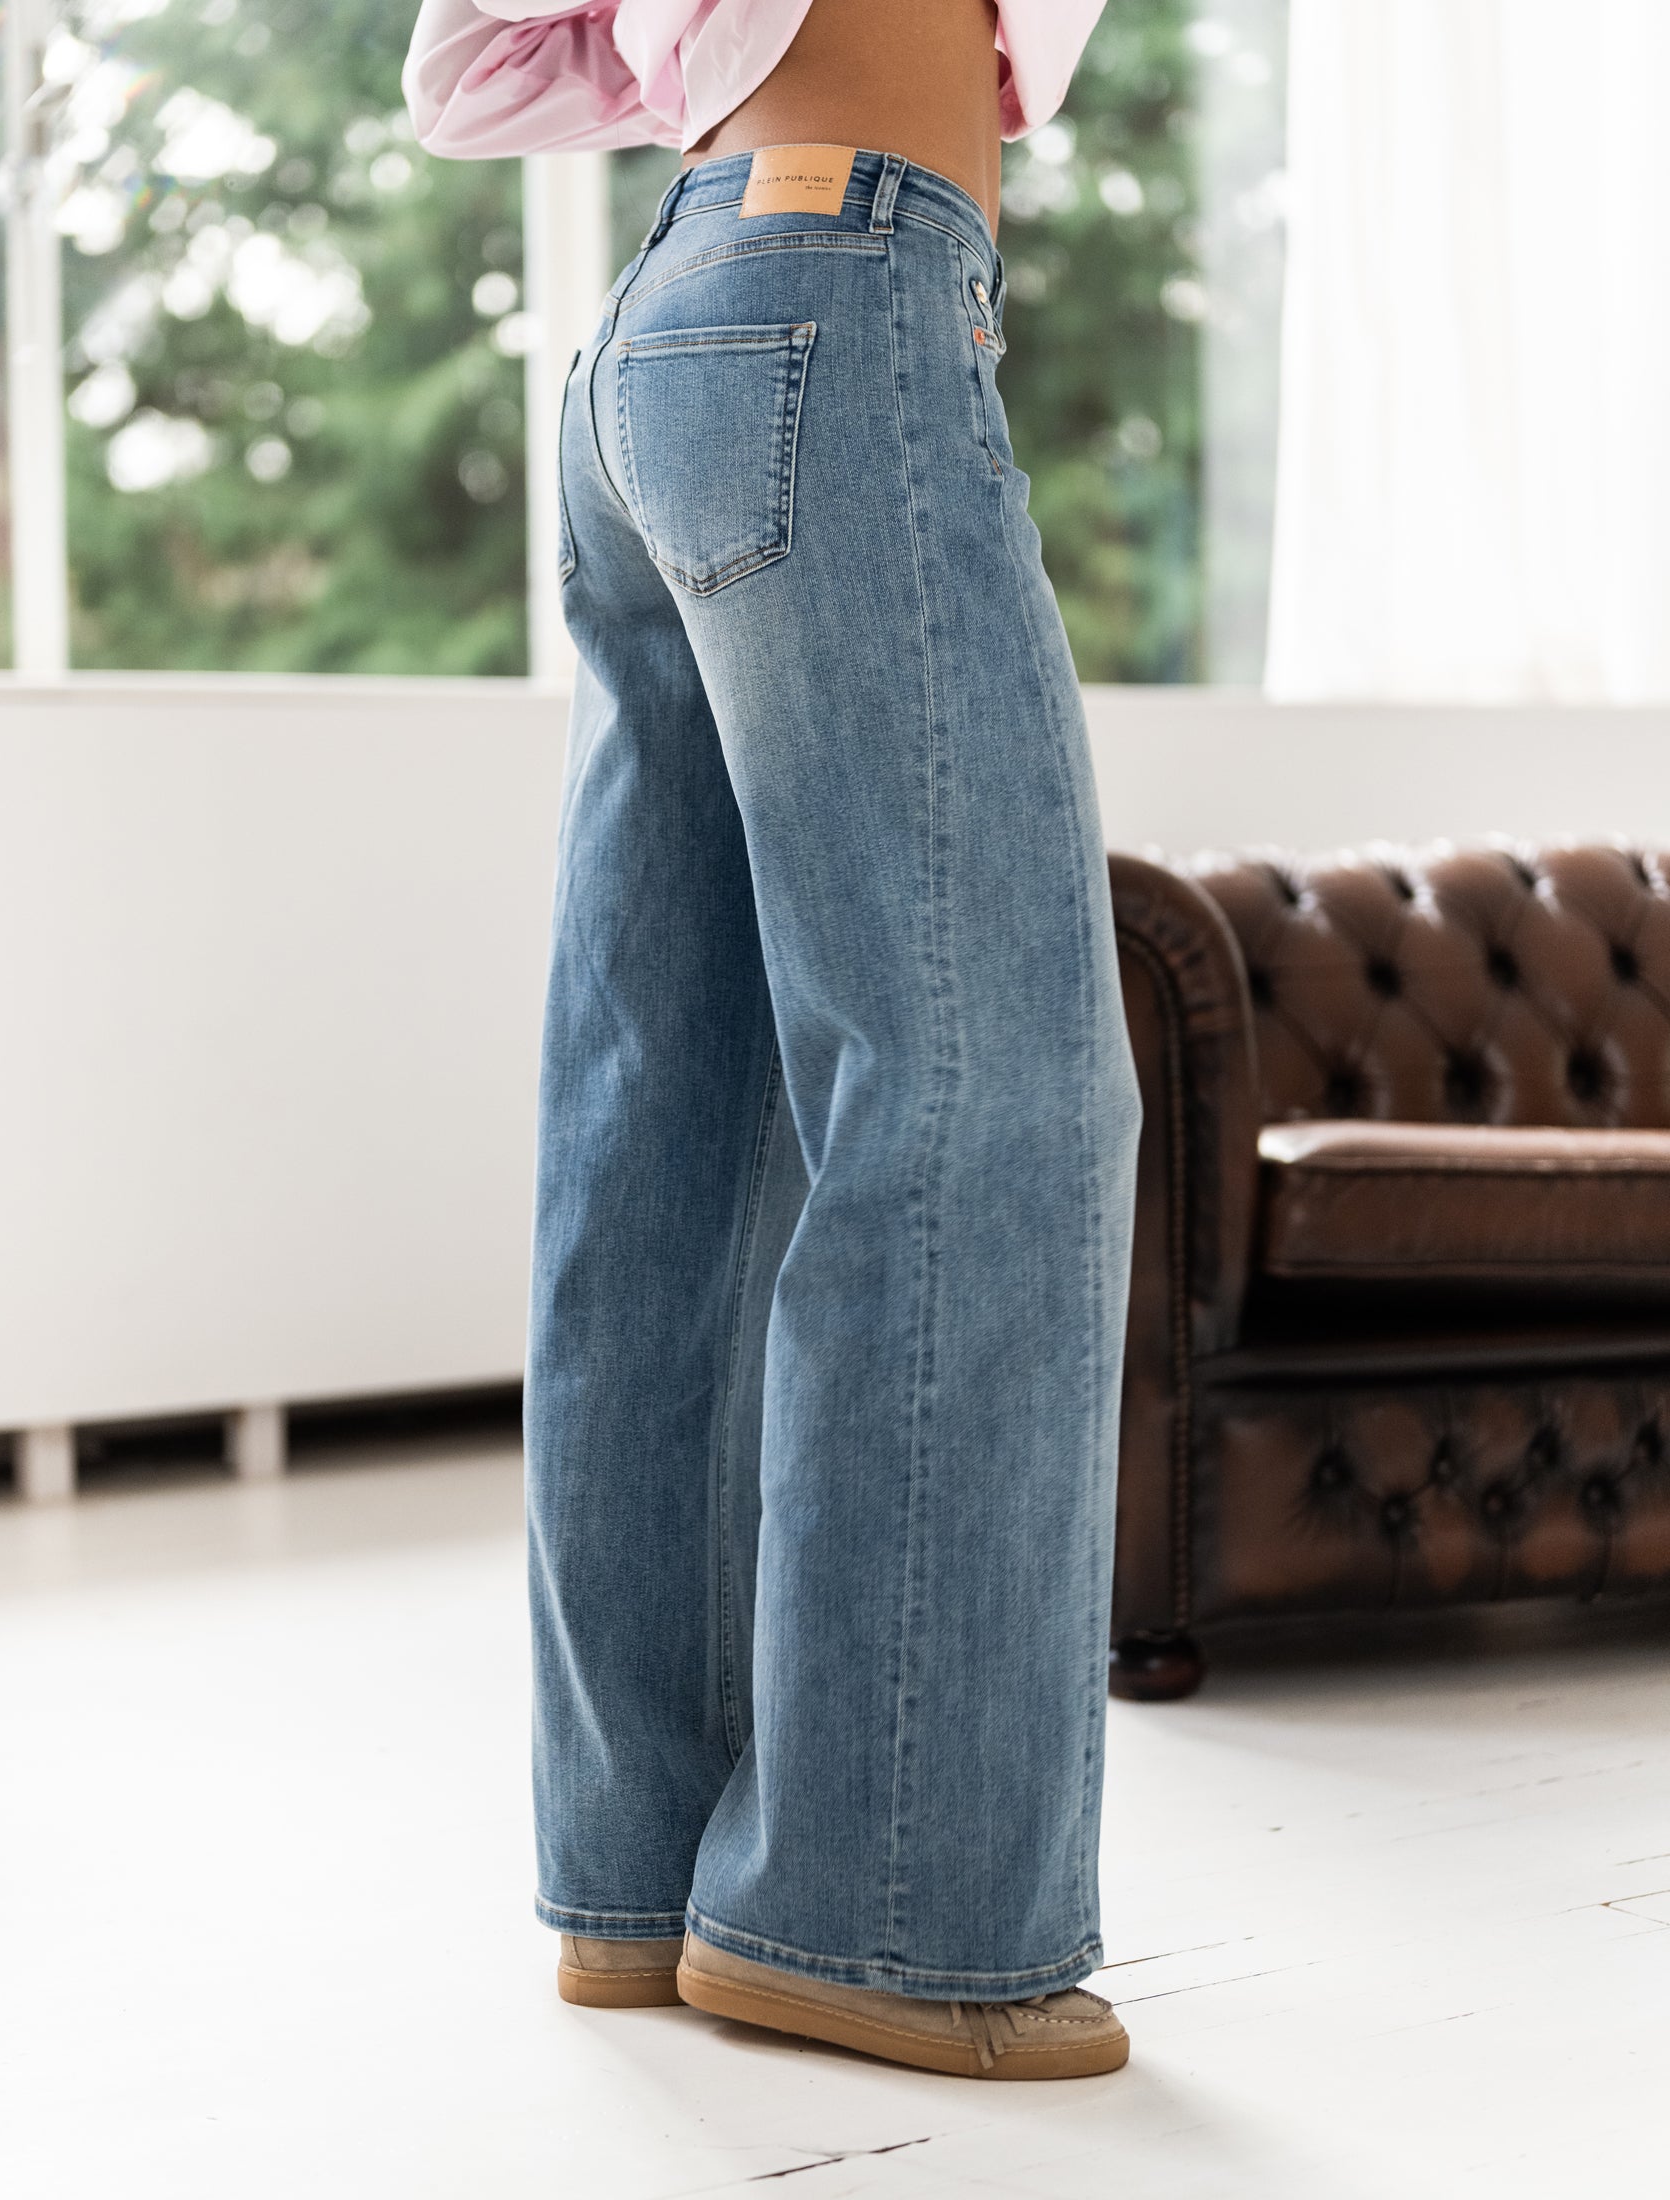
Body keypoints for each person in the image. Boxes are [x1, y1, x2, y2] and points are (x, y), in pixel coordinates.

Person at [404, 0, 1141, 2081]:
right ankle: (884, 1912)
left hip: (678, 315)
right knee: (989, 1092)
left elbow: (470, 62)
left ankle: (640, 1873)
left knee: (669, 1112)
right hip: (847, 284)